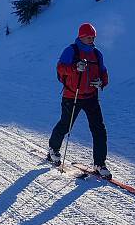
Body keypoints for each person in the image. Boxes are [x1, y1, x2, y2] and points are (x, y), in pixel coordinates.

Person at [47, 22, 111, 178]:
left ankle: (99, 163)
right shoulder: (71, 51)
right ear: (81, 37)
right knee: (65, 125)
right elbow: (60, 68)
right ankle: (53, 150)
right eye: (88, 37)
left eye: (93, 37)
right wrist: (75, 67)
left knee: (99, 129)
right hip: (72, 95)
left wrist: (101, 82)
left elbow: (103, 72)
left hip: (91, 96)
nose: (91, 40)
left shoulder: (97, 54)